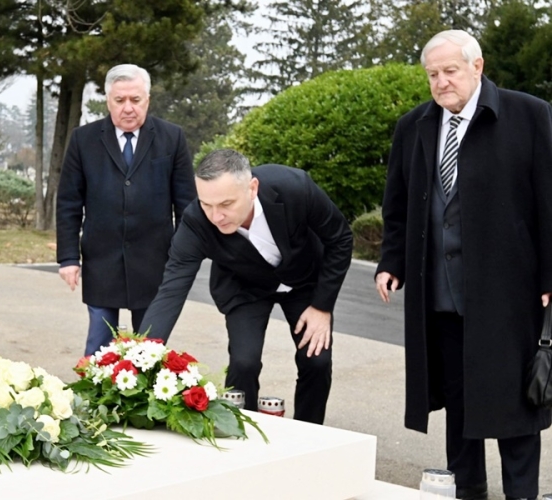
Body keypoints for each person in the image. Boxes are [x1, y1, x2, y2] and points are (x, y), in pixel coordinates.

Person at [376, 30, 552, 500]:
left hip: (508, 292)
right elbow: (398, 206)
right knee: (459, 402)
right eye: (432, 74)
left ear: (478, 66)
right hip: (440, 293)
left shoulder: (529, 115)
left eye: (450, 71)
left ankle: (521, 494)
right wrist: (391, 262)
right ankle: (467, 489)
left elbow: (549, 201)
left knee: (516, 405)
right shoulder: (413, 126)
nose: (440, 82)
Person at [139, 149, 352, 423]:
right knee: (244, 363)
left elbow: (341, 239)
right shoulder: (195, 222)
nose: (216, 216)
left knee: (317, 361)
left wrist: (322, 307)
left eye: (226, 204)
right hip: (244, 287)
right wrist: (143, 353)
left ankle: (309, 434)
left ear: (252, 188)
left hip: (305, 281)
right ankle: (241, 431)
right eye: (207, 204)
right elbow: (172, 288)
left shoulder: (294, 187)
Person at [56, 64, 196, 356]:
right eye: (120, 101)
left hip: (154, 262)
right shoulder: (84, 140)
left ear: (147, 99)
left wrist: (181, 257)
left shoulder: (172, 138)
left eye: (136, 100)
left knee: (148, 354)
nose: (128, 108)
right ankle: (95, 403)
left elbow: (186, 205)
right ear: (108, 100)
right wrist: (68, 257)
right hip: (101, 260)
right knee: (99, 350)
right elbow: (69, 203)